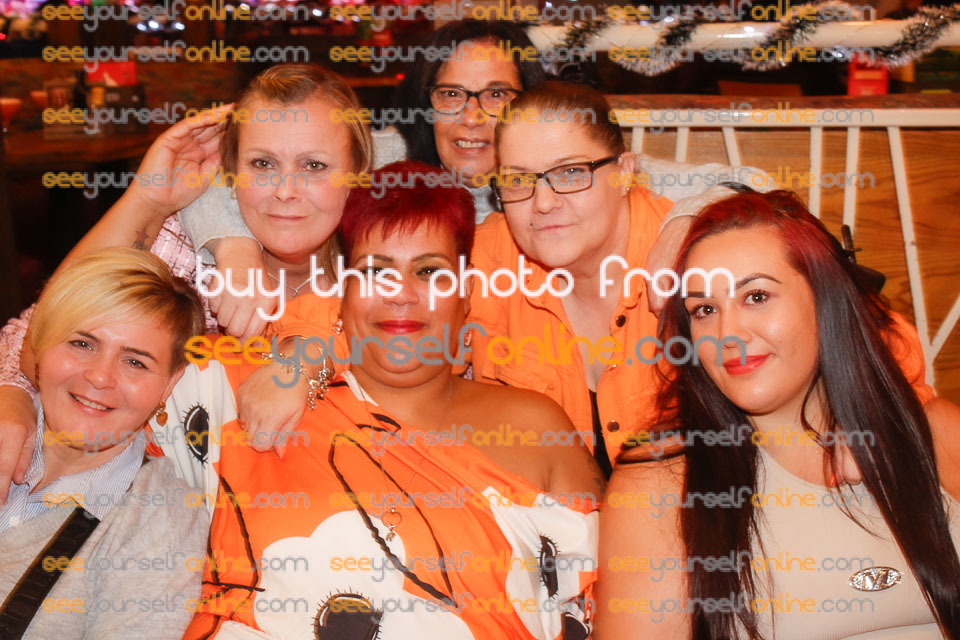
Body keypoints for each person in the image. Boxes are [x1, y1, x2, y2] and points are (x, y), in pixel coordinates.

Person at [150, 162, 604, 639]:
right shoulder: (241, 387)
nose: (401, 294)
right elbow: (97, 368)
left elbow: (597, 608)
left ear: (466, 292)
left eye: (428, 271)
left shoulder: (536, 427)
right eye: (375, 271)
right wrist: (151, 202)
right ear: (343, 290)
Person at [467, 80, 935, 474]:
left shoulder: (698, 252)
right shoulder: (484, 260)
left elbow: (881, 346)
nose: (544, 202)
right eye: (518, 180)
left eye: (571, 173)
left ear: (625, 173)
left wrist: (865, 430)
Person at [596, 190, 960, 639]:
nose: (728, 334)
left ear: (825, 299)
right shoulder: (660, 483)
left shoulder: (934, 434)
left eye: (757, 296)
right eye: (705, 310)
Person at [0, 63, 369, 496]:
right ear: (231, 172)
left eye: (314, 165)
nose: (285, 190)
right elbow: (41, 335)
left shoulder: (383, 262)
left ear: (358, 173)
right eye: (262, 163)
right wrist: (13, 395)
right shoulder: (188, 254)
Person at [0, 247, 208, 639]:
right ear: (40, 343)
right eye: (82, 343)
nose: (99, 376)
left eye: (135, 362)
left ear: (169, 383)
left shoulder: (158, 521)